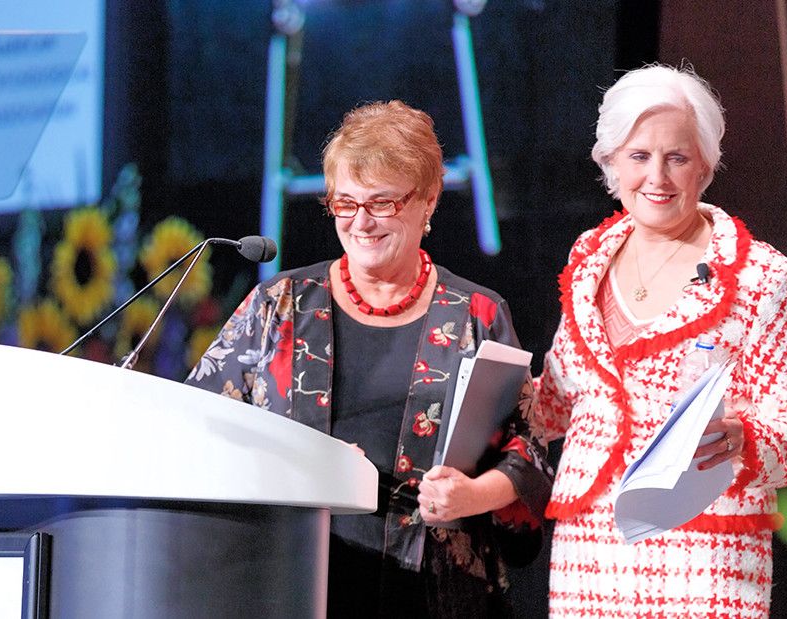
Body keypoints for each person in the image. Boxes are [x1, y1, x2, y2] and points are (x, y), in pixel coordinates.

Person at [186, 100, 552, 617]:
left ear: (428, 201)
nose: (361, 222)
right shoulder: (279, 305)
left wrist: (472, 496)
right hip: (298, 580)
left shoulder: (477, 312)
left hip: (439, 592)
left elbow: (529, 452)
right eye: (345, 203)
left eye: (381, 203)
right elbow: (201, 426)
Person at [534, 65, 787, 618]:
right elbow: (557, 398)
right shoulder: (587, 260)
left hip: (707, 553)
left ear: (706, 166)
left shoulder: (762, 279)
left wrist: (743, 438)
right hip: (590, 553)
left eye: (677, 157)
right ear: (611, 162)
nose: (657, 177)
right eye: (639, 156)